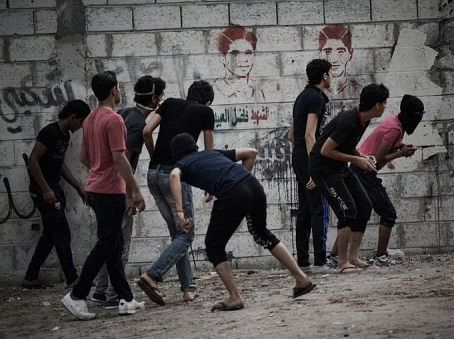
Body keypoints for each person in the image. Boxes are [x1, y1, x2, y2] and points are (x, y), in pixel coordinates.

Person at [169, 133, 315, 311]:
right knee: (262, 234)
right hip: (253, 186)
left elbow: (174, 176)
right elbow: (251, 153)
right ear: (194, 147)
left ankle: (235, 297)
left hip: (232, 193)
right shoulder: (213, 153)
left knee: (213, 246)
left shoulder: (182, 163)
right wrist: (236, 180)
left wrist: (179, 212)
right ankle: (301, 279)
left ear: (176, 154)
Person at [61, 71, 146, 320]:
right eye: (118, 88)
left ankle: (125, 299)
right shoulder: (114, 120)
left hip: (95, 189)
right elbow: (120, 158)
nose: (119, 92)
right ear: (114, 91)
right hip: (110, 191)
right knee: (107, 244)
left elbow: (84, 158)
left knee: (114, 245)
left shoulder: (90, 120)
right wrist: (135, 190)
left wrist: (99, 169)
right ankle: (77, 296)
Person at [90, 75, 166, 309]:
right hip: (117, 189)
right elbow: (125, 159)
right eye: (160, 97)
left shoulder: (122, 113)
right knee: (119, 244)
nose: (161, 101)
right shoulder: (136, 123)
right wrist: (130, 193)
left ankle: (101, 291)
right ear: (153, 99)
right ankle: (115, 295)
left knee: (108, 241)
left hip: (101, 187)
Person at [137, 80, 215, 305]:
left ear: (188, 94)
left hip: (153, 174)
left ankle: (189, 288)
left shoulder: (169, 103)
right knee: (187, 234)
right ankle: (152, 275)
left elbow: (146, 131)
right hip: (175, 176)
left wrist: (154, 157)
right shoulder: (205, 112)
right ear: (208, 101)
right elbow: (209, 153)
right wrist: (209, 185)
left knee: (178, 234)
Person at [308, 83, 389, 272]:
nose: (385, 107)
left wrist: (361, 156)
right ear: (377, 105)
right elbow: (325, 150)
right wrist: (356, 160)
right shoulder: (348, 120)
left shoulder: (363, 120)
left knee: (364, 205)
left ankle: (353, 257)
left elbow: (345, 144)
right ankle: (342, 262)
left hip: (339, 167)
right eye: (384, 103)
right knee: (347, 210)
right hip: (323, 169)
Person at [22, 100, 91, 289]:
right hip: (42, 189)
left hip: (53, 187)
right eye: (81, 122)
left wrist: (78, 187)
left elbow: (60, 165)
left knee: (51, 235)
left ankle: (30, 277)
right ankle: (72, 279)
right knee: (61, 233)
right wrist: (45, 189)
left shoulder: (65, 136)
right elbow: (33, 161)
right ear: (72, 117)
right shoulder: (49, 132)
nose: (81, 127)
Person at [352, 95, 424, 266]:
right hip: (364, 172)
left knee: (355, 215)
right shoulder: (395, 128)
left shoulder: (396, 124)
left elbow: (382, 148)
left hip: (362, 171)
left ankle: (335, 256)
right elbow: (378, 158)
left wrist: (400, 147)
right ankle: (381, 256)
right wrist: (401, 153)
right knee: (388, 213)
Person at [288, 59, 334, 274]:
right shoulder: (316, 98)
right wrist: (314, 166)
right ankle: (320, 263)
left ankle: (304, 262)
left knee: (306, 210)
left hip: (298, 158)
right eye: (330, 74)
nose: (331, 78)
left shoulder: (301, 97)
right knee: (318, 209)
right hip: (309, 160)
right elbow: (309, 134)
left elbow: (291, 135)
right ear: (324, 76)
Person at [213, 25, 264, 103]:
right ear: (223, 58)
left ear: (254, 56)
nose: (243, 59)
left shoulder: (257, 91)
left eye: (248, 53)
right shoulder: (216, 92)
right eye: (235, 53)